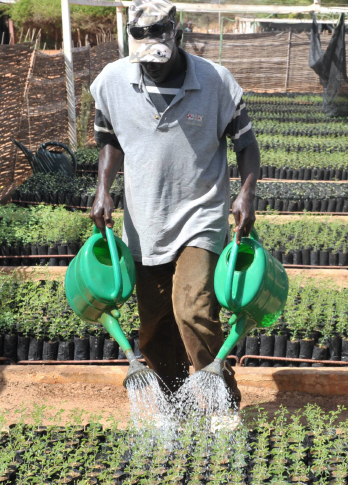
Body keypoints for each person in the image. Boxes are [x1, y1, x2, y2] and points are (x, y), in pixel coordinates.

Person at [89, 0, 259, 405]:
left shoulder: (216, 81)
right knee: (155, 324)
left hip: (201, 213)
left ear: (177, 37)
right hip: (144, 220)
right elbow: (110, 140)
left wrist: (246, 193)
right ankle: (174, 400)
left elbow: (246, 144)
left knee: (193, 310)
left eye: (160, 59)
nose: (153, 66)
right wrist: (102, 190)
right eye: (144, 60)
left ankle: (219, 401)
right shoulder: (112, 81)